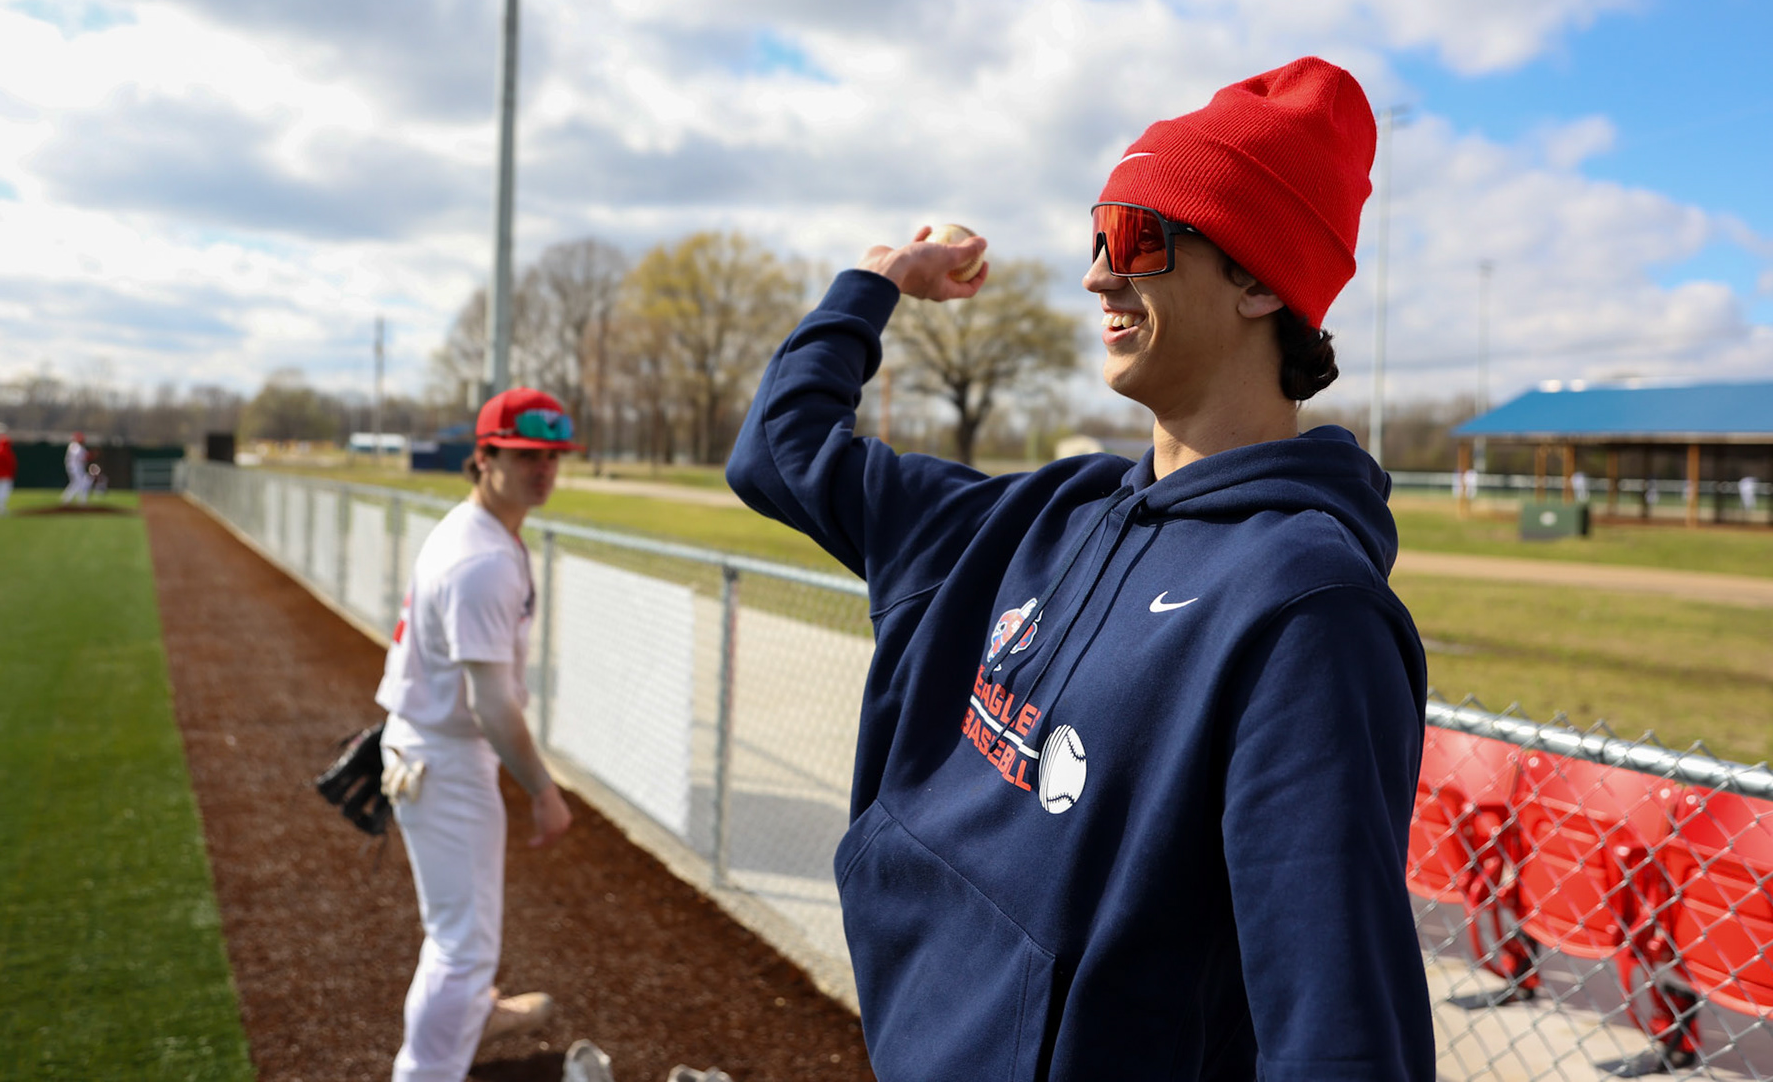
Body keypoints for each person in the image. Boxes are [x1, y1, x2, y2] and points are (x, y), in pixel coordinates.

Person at [728, 57, 1434, 1080]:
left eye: (1140, 238)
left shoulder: (1305, 610)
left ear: (1256, 279)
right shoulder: (1029, 515)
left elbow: (1340, 1033)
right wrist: (878, 279)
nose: (1100, 274)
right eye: (1098, 237)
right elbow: (778, 451)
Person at [375, 387, 579, 1082]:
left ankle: (478, 1016)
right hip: (444, 755)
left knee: (464, 933)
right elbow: (491, 704)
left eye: (553, 456)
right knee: (462, 947)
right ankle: (424, 1073)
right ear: (484, 455)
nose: (544, 469)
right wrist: (544, 791)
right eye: (526, 455)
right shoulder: (483, 558)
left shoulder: (483, 532)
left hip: (432, 744)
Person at [62, 432, 93, 504]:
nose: (82, 440)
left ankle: (79, 499)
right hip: (74, 466)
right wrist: (89, 456)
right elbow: (82, 457)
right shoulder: (74, 446)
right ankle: (68, 498)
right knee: (79, 482)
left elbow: (85, 456)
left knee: (82, 482)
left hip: (78, 466)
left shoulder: (80, 447)